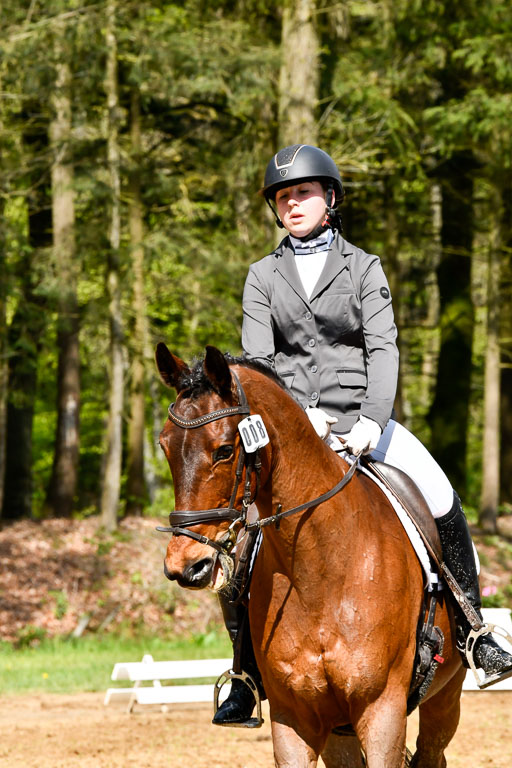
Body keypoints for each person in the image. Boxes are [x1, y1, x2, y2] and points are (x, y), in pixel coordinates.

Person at [212, 143, 512, 727]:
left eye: (301, 192)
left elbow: (383, 348)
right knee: (244, 535)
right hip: (291, 432)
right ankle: (245, 672)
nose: (291, 203)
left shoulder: (364, 267)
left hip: (363, 421)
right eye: (282, 196)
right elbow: (257, 359)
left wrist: (373, 419)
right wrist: (298, 415)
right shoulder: (262, 276)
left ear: (330, 198)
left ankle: (476, 632)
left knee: (443, 498)